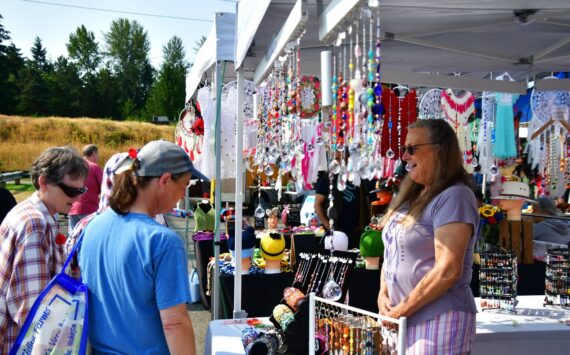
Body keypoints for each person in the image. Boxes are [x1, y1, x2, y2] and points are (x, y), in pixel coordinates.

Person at [78, 140, 205, 354]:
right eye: (183, 185)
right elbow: (174, 322)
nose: (182, 196)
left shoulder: (91, 227)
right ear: (164, 180)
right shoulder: (163, 241)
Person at [378, 119, 479, 354]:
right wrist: (383, 295)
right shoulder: (413, 195)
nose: (404, 156)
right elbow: (391, 250)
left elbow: (448, 270)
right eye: (404, 149)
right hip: (401, 319)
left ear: (439, 150)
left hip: (437, 320)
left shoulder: (455, 196)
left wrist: (401, 310)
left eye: (412, 149)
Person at [0, 147, 88, 352]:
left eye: (81, 190)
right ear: (43, 182)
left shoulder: (35, 214)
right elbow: (33, 313)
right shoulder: (35, 225)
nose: (77, 198)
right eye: (71, 190)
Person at [314, 165, 373, 249]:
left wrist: (363, 223)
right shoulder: (329, 178)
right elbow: (317, 204)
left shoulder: (359, 177)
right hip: (336, 232)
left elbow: (365, 201)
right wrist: (328, 226)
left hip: (356, 231)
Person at [68, 144, 103, 233]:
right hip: (89, 208)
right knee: (90, 236)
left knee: (74, 237)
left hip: (72, 208)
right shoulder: (94, 167)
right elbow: (103, 187)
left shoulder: (73, 166)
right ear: (94, 154)